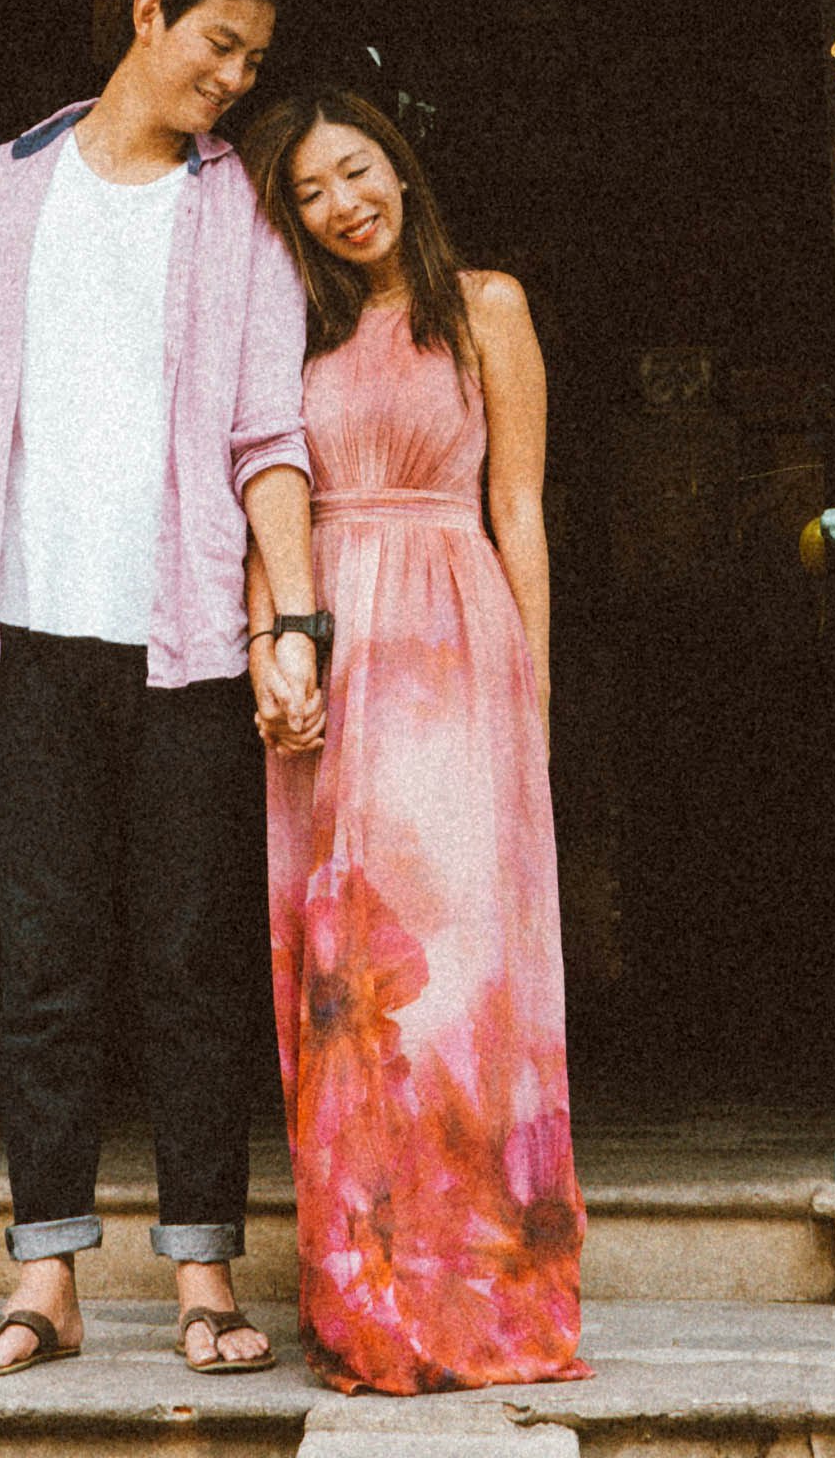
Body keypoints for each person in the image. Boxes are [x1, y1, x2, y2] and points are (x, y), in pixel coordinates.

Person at [0, 0, 331, 1380]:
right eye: (217, 44)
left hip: (194, 650)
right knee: (45, 963)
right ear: (147, 17)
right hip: (32, 632)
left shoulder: (243, 216)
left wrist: (294, 617)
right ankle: (48, 1283)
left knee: (188, 963)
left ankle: (205, 1276)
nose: (234, 79)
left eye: (255, 62)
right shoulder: (5, 188)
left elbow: (271, 436)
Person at [245, 85, 583, 1392]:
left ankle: (479, 1283)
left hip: (453, 645)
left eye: (359, 169)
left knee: (451, 981)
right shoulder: (289, 334)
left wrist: (534, 698)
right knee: (346, 987)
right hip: (330, 648)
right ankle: (366, 1293)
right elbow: (261, 496)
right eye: (313, 190)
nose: (343, 203)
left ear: (402, 164)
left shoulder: (485, 305)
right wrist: (275, 642)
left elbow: (521, 509)